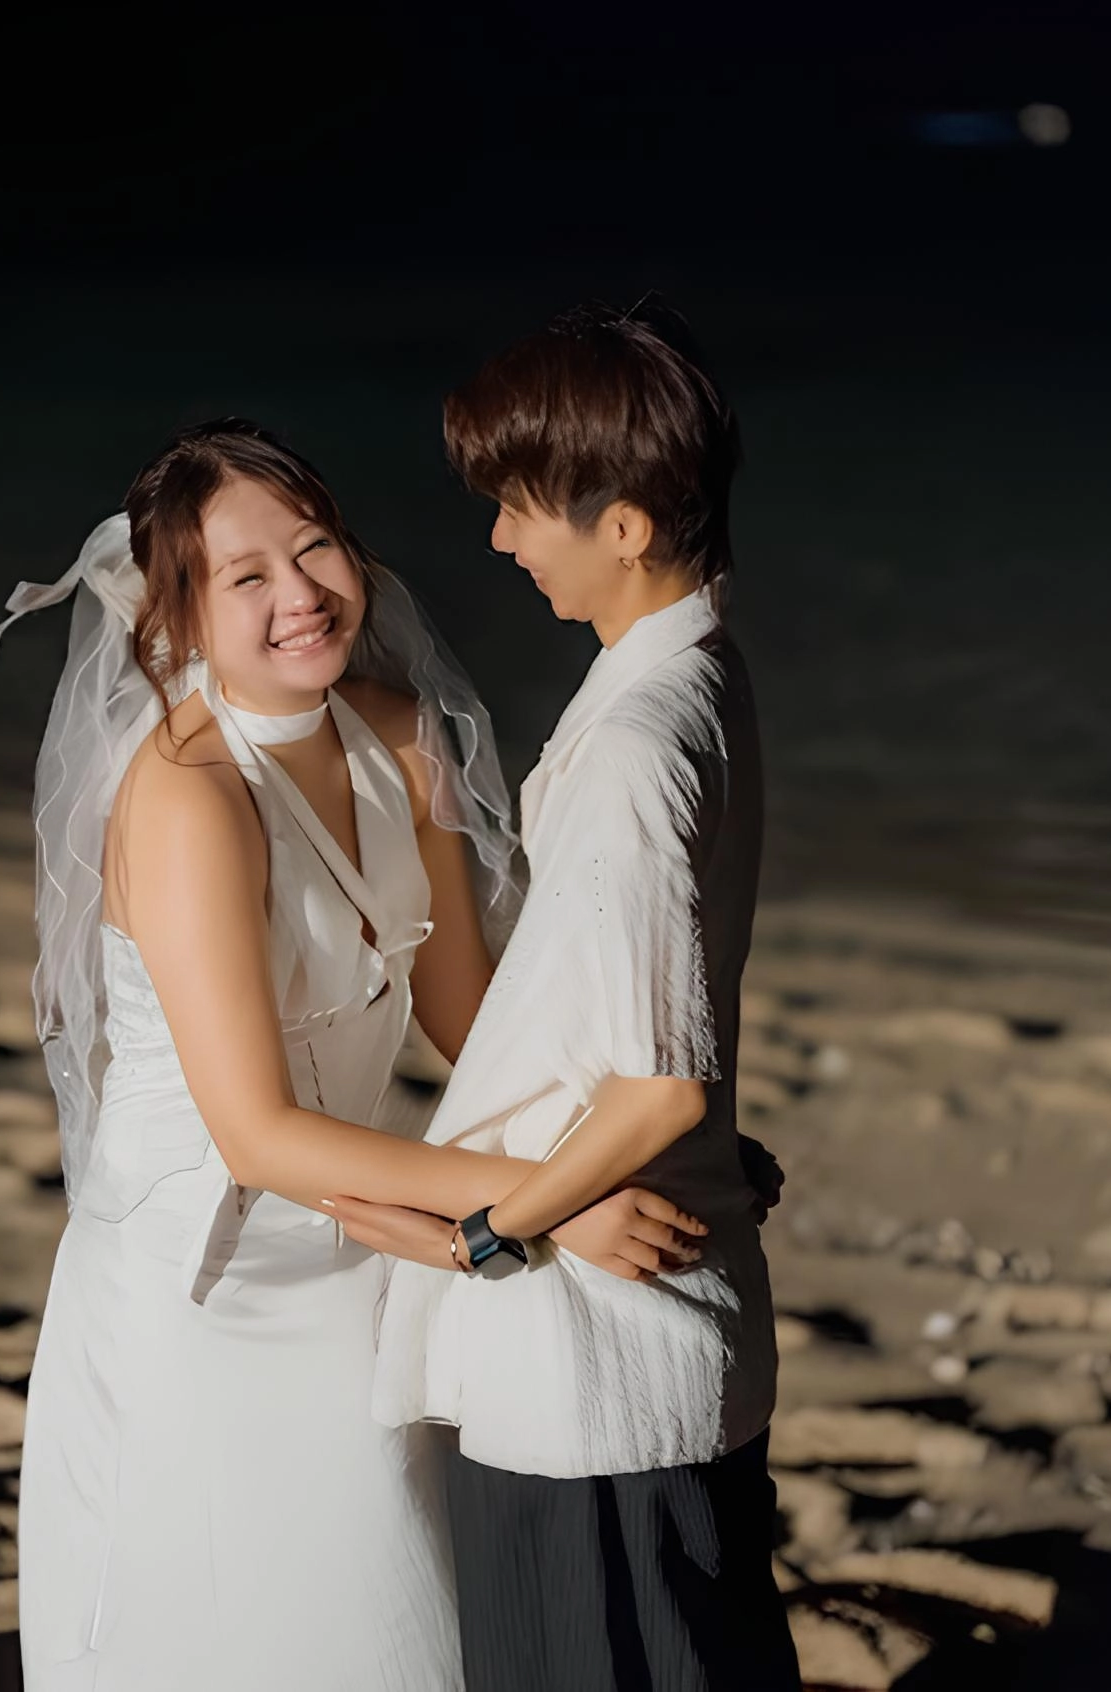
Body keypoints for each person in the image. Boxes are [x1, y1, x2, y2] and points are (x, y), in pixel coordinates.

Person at [0, 419, 707, 1692]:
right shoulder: (188, 795)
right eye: (245, 576)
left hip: (360, 1233)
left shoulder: (401, 737)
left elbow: (467, 1019)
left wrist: (615, 1140)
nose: (300, 595)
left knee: (398, 1609)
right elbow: (256, 1138)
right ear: (177, 616)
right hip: (209, 1275)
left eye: (314, 549)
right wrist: (549, 1204)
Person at [356, 303, 802, 1691]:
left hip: (595, 1360)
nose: (501, 540)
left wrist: (498, 1231)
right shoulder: (699, 675)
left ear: (625, 526)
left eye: (520, 507)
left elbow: (660, 1085)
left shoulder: (636, 742)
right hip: (661, 1327)